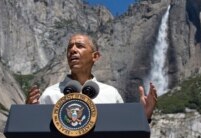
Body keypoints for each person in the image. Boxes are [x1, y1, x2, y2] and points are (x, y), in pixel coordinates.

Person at [26, 33, 157, 120]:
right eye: (70, 47)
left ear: (95, 56)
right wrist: (30, 114)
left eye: (80, 46)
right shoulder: (50, 94)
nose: (73, 50)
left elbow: (124, 133)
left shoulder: (111, 94)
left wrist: (144, 117)